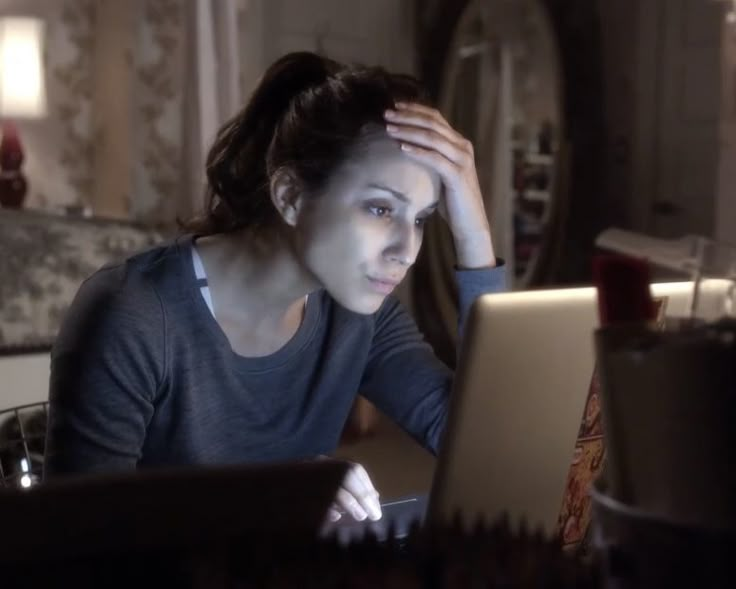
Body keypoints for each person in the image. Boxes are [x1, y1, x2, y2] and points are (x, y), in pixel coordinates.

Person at [44, 52, 505, 523]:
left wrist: (474, 235)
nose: (407, 249)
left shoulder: (363, 317)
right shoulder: (134, 313)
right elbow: (80, 535)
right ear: (290, 197)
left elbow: (487, 451)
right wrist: (274, 494)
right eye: (381, 209)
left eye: (423, 219)